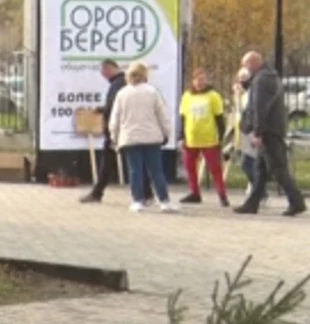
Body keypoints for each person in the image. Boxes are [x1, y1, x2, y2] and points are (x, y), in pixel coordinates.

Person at [236, 50, 307, 217]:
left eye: (245, 65)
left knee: (278, 169)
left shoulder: (262, 80)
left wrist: (257, 132)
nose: (244, 69)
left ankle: (297, 202)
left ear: (254, 63)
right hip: (271, 129)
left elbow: (260, 108)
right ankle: (252, 203)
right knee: (260, 169)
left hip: (269, 131)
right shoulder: (267, 77)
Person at [108, 61, 177, 213]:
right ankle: (164, 200)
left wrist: (115, 137)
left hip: (129, 137)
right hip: (151, 137)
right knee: (156, 170)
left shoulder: (122, 93)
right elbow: (163, 115)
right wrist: (167, 133)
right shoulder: (152, 92)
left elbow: (115, 119)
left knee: (135, 170)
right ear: (145, 75)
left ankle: (137, 200)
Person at [179, 69, 229, 207]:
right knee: (190, 166)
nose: (200, 83)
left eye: (203, 80)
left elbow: (219, 118)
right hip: (191, 138)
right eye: (197, 80)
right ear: (193, 81)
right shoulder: (187, 96)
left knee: (215, 168)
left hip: (209, 138)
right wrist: (182, 135)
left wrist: (220, 135)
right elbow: (183, 117)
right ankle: (194, 192)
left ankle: (222, 194)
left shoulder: (213, 96)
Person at [79, 59, 127, 204]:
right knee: (126, 161)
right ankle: (147, 192)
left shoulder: (118, 84)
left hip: (117, 130)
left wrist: (101, 110)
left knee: (109, 162)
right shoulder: (118, 83)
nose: (103, 76)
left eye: (103, 72)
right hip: (120, 129)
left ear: (109, 69)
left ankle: (97, 193)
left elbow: (114, 107)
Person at [230, 67, 262, 194]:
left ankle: (259, 189)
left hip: (252, 131)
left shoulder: (253, 93)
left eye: (244, 78)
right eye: (240, 78)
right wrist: (237, 96)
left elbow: (249, 112)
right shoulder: (243, 95)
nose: (242, 81)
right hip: (243, 131)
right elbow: (238, 112)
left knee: (248, 162)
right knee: (247, 162)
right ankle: (256, 188)